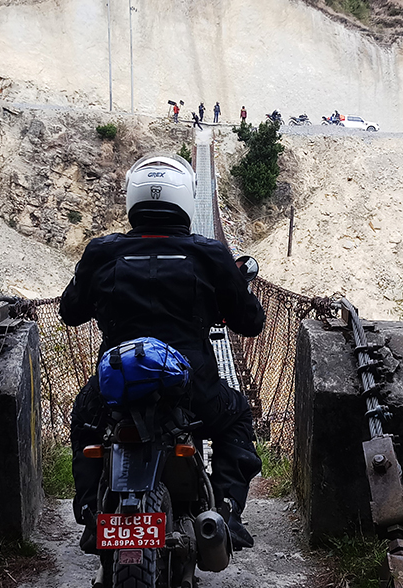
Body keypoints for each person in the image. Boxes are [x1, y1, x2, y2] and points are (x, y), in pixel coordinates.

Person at [61, 154, 266, 553]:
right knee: (237, 415)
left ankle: (90, 516)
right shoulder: (209, 254)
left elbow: (70, 312)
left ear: (132, 200)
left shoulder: (102, 251)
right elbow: (252, 323)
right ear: (185, 199)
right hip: (194, 388)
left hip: (117, 384)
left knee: (85, 418)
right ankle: (226, 514)